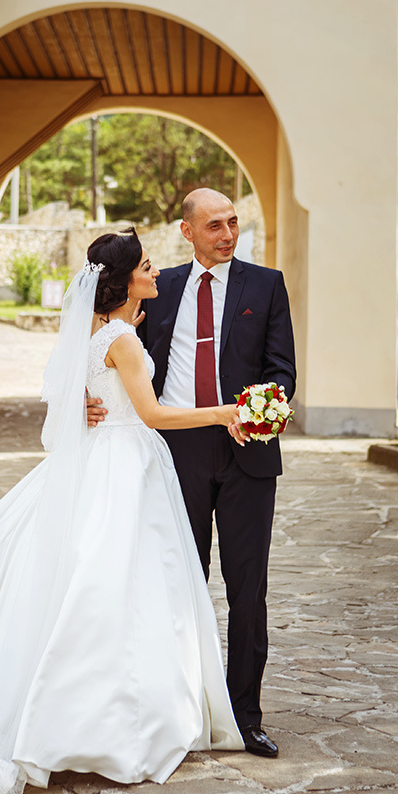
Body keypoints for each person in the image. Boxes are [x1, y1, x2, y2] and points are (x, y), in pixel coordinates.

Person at [0, 228, 245, 794]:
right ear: (125, 282)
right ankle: (106, 723)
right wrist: (223, 413)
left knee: (83, 573)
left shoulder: (100, 331)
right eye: (148, 267)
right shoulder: (121, 337)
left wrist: (86, 398)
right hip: (127, 459)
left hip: (103, 456)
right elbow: (148, 414)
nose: (156, 273)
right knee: (116, 581)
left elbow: (72, 384)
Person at [89, 190, 296, 759]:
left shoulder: (266, 285)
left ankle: (245, 716)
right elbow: (97, 338)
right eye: (214, 225)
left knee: (248, 591)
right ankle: (181, 711)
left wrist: (256, 414)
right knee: (177, 583)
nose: (227, 234)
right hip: (172, 453)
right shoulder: (159, 286)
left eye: (232, 223)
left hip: (246, 454)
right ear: (187, 231)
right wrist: (82, 400)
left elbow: (282, 371)